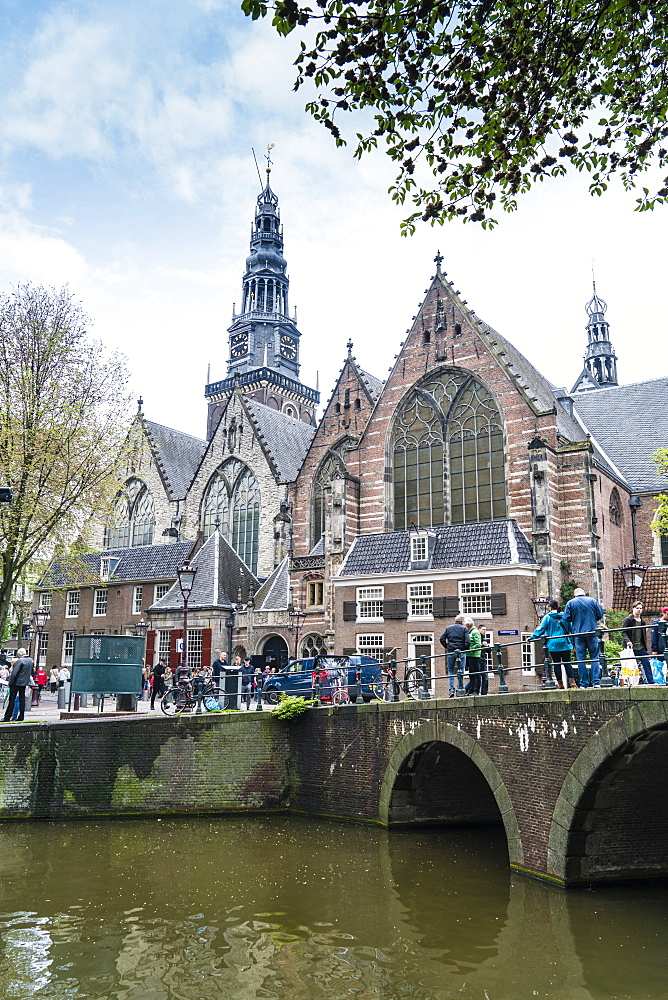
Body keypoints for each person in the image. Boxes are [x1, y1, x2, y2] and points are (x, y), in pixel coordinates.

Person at [563, 588, 605, 688]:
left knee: (581, 659)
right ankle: (596, 682)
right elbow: (600, 614)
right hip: (591, 631)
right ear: (584, 593)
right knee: (595, 657)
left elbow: (566, 618)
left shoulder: (570, 603)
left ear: (574, 595)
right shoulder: (592, 601)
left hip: (578, 634)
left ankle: (584, 684)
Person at [531, 599, 576, 689]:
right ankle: (572, 683)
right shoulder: (564, 616)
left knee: (557, 664)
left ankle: (560, 684)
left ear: (550, 607)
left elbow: (541, 629)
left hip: (553, 644)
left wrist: (532, 637)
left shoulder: (547, 617)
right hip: (565, 643)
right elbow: (571, 628)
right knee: (567, 663)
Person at [622, 601, 653, 684]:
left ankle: (651, 681)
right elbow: (624, 632)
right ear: (633, 609)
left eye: (640, 608)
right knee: (631, 665)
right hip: (631, 647)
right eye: (637, 608)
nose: (639, 610)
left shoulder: (642, 621)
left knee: (647, 663)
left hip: (641, 647)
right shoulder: (628, 620)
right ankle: (630, 682)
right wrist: (628, 641)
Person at [439, 615, 470, 697]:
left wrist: (447, 646)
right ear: (462, 621)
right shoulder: (464, 629)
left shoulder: (449, 628)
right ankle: (460, 688)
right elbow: (468, 642)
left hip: (451, 651)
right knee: (461, 670)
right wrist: (464, 648)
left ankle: (451, 690)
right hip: (461, 651)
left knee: (451, 670)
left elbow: (442, 639)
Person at [2, 647, 33, 722]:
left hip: (16, 682)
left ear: (19, 654)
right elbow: (31, 671)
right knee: (22, 699)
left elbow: (14, 673)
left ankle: (7, 717)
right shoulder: (31, 661)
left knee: (12, 699)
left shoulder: (20, 661)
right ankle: (21, 716)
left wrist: (10, 682)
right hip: (24, 683)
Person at [463, 617, 484, 695]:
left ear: (468, 625)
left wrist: (470, 649)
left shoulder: (475, 632)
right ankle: (471, 690)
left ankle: (476, 690)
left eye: (465, 624)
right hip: (470, 655)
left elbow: (478, 644)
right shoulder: (469, 632)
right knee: (471, 673)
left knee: (476, 673)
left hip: (474, 655)